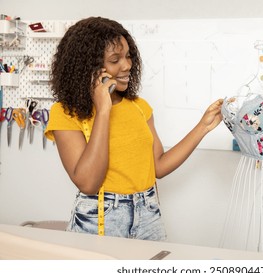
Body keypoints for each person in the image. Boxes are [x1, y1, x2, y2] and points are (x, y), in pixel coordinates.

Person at [45, 16, 223, 240]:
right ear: (89, 67)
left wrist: (203, 127)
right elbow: (88, 183)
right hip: (100, 215)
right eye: (115, 59)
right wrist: (103, 110)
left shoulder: (140, 107)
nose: (127, 65)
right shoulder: (65, 112)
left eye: (128, 56)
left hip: (148, 213)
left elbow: (158, 166)